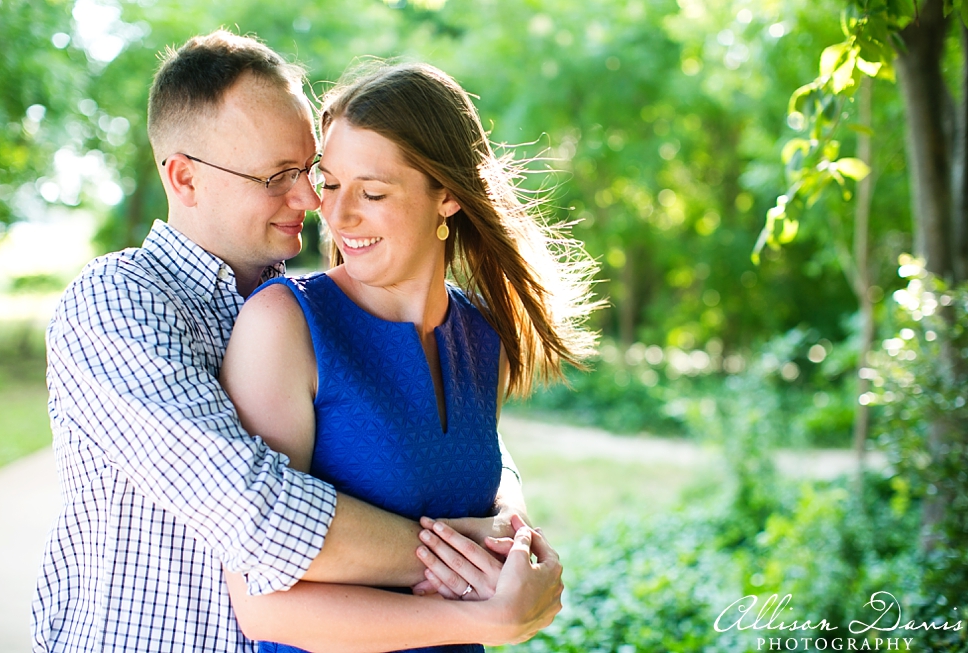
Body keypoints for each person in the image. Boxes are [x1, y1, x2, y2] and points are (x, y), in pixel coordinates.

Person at [31, 31, 562, 653]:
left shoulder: (326, 307)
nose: (313, 201)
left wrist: (510, 523)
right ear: (185, 178)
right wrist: (475, 558)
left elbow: (442, 443)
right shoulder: (119, 303)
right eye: (278, 175)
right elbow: (255, 511)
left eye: (310, 171)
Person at [217, 61, 600, 652]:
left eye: (372, 192)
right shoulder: (285, 324)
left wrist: (513, 531)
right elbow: (262, 606)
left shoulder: (484, 336)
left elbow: (480, 474)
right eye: (331, 184)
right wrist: (486, 620)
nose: (338, 215)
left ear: (447, 195)